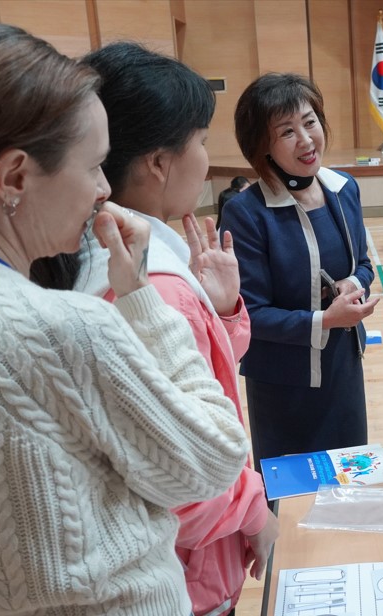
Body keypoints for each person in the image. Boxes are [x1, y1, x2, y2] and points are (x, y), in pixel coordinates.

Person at [0, 22, 249, 615]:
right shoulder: (63, 328)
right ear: (15, 177)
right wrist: (140, 302)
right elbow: (211, 459)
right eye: (93, 167)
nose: (104, 191)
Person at [72, 43, 276, 616]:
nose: (208, 160)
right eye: (202, 142)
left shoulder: (115, 254)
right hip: (185, 579)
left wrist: (223, 312)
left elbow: (187, 384)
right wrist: (255, 510)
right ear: (159, 162)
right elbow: (178, 479)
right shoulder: (148, 284)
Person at [222, 73, 378, 465]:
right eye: (287, 131)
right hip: (283, 385)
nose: (307, 140)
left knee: (348, 482)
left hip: (342, 369)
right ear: (262, 146)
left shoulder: (343, 188)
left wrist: (352, 282)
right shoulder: (245, 213)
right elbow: (250, 314)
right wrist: (325, 319)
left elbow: (363, 264)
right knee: (293, 502)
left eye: (310, 122)